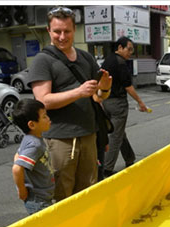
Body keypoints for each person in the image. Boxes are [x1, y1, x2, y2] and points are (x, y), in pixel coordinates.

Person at [29, 6, 112, 201]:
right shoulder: (43, 60)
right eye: (57, 31)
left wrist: (105, 88)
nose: (62, 36)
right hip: (61, 139)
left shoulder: (86, 57)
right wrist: (78, 92)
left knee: (88, 191)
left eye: (67, 31)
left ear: (74, 29)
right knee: (62, 193)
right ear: (48, 31)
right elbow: (43, 101)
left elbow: (97, 97)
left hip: (89, 135)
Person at [101, 36, 148, 178]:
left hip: (105, 102)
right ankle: (107, 169)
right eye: (129, 49)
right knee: (115, 136)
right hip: (118, 104)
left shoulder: (107, 60)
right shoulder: (121, 63)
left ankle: (129, 158)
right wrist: (140, 102)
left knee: (119, 132)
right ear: (120, 48)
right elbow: (128, 86)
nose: (130, 53)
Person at [11, 99, 55, 215]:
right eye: (44, 116)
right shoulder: (35, 145)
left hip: (42, 197)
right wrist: (22, 190)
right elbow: (16, 169)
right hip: (38, 200)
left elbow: (17, 155)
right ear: (32, 124)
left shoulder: (30, 139)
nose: (48, 119)